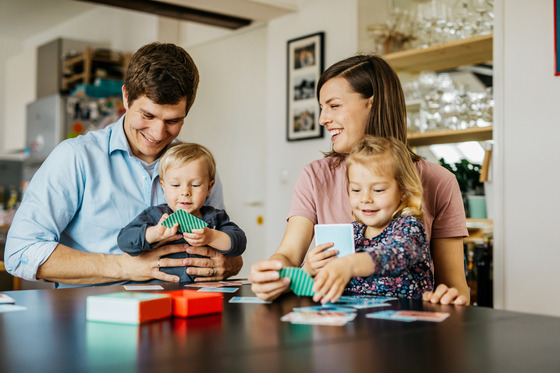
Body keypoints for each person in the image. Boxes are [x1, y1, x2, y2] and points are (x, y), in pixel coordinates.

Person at [5, 42, 242, 288]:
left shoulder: (195, 167)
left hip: (180, 313)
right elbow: (20, 251)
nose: (158, 133)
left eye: (173, 120)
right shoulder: (75, 157)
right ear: (126, 97)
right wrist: (125, 266)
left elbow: (228, 252)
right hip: (92, 315)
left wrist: (228, 264)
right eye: (148, 116)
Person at [249, 54, 469, 305]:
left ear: (372, 105)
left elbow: (453, 286)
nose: (322, 119)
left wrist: (451, 297)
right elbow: (289, 255)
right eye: (322, 108)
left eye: (334, 105)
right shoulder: (315, 175)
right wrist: (274, 273)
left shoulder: (439, 182)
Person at [309, 135, 433, 304]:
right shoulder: (352, 233)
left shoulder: (409, 228)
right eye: (356, 190)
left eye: (378, 190)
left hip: (405, 326)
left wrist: (349, 264)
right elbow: (322, 288)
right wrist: (310, 269)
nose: (365, 198)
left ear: (403, 191)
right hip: (357, 325)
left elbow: (395, 253)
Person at [117, 142, 246, 282]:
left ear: (209, 187)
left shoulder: (215, 217)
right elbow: (124, 241)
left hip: (204, 292)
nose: (185, 192)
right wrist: (154, 233)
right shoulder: (155, 215)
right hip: (161, 292)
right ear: (163, 186)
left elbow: (239, 243)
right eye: (175, 185)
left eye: (195, 185)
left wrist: (212, 237)